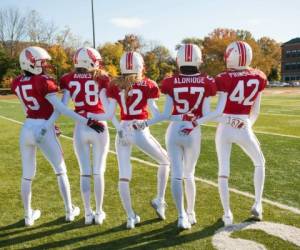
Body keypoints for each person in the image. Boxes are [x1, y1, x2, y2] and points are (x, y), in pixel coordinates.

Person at [11, 46, 104, 226]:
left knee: (27, 174)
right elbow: (61, 108)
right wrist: (85, 121)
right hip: (44, 127)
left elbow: (26, 108)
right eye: (41, 62)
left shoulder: (16, 82)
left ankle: (27, 216)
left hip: (27, 127)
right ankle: (69, 210)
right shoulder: (44, 81)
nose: (44, 65)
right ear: (31, 62)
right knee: (61, 170)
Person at [181, 41, 267, 226]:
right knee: (259, 163)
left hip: (225, 127)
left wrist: (196, 121)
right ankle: (258, 204)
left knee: (224, 171)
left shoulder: (223, 78)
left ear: (230, 56)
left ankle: (227, 214)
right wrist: (246, 126)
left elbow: (218, 111)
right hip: (244, 125)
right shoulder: (259, 76)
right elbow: (256, 111)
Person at [135, 44, 216, 229]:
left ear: (178, 60)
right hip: (193, 131)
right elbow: (205, 113)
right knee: (190, 174)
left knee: (177, 174)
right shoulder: (207, 81)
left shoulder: (170, 82)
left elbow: (165, 113)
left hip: (174, 130)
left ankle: (181, 216)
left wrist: (147, 123)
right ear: (199, 60)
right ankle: (191, 212)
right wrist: (193, 121)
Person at [88, 51, 170, 229]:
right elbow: (158, 114)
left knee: (124, 176)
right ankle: (160, 200)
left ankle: (130, 217)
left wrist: (117, 127)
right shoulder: (149, 84)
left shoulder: (114, 85)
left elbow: (109, 114)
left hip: (122, 129)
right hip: (140, 130)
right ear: (140, 66)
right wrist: (145, 122)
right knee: (165, 161)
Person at [59, 47, 109, 225]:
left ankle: (88, 213)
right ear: (92, 61)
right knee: (99, 171)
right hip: (99, 124)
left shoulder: (67, 79)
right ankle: (99, 211)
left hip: (80, 125)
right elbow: (107, 105)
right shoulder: (102, 78)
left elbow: (63, 106)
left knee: (84, 172)